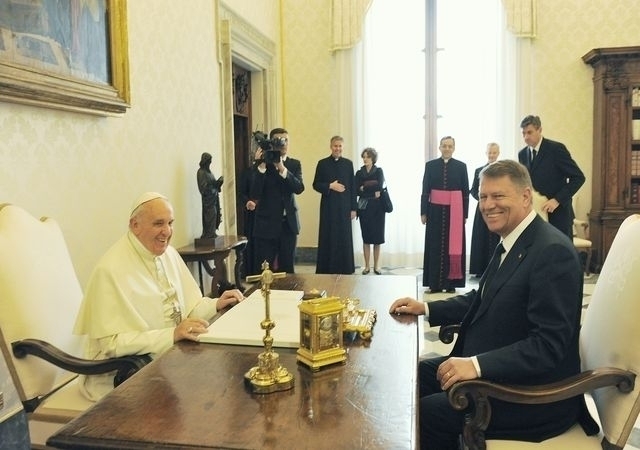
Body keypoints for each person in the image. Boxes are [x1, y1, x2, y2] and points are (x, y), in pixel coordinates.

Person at [390, 160, 591, 449]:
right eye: (483, 197)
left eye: (498, 196)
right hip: (496, 373)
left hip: (531, 396)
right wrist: (427, 308)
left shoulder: (552, 252)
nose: (487, 205)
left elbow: (547, 346)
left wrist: (476, 364)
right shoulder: (512, 240)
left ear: (525, 197)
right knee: (415, 375)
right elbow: (483, 297)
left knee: (428, 413)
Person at [74, 192, 244, 401]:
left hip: (169, 362)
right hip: (122, 377)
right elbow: (112, 344)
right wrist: (171, 335)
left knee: (225, 383)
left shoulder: (169, 254)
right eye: (158, 224)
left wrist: (216, 305)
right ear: (134, 225)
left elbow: (187, 310)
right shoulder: (109, 269)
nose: (167, 231)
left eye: (170, 223)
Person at [518, 115, 585, 238]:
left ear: (540, 130)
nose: (526, 137)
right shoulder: (522, 154)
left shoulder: (556, 149)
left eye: (529, 132)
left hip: (558, 214)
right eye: (523, 133)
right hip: (535, 214)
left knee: (560, 253)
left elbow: (578, 177)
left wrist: (557, 200)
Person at [249, 128, 304, 274]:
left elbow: (299, 188)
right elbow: (254, 193)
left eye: (286, 140)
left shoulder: (294, 164)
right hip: (266, 225)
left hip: (288, 224)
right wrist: (260, 167)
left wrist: (282, 168)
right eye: (279, 140)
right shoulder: (262, 164)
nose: (283, 143)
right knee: (263, 269)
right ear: (272, 143)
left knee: (288, 268)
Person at [420, 136, 469, 293]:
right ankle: (434, 283)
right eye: (444, 146)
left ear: (454, 148)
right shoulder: (430, 165)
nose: (447, 148)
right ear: (439, 147)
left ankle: (451, 284)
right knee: (434, 246)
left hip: (455, 212)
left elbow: (465, 193)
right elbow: (425, 190)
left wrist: (465, 214)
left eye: (450, 146)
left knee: (452, 247)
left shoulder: (461, 166)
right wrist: (423, 212)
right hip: (434, 211)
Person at [312, 135, 357, 274]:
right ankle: (327, 269)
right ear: (330, 147)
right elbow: (316, 185)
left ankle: (346, 269)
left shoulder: (348, 164)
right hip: (328, 208)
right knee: (328, 236)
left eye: (340, 146)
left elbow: (353, 187)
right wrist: (330, 186)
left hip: (344, 207)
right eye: (335, 146)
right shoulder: (322, 163)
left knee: (344, 237)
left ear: (343, 147)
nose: (337, 148)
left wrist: (354, 209)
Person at [469, 142, 501, 277]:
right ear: (486, 153)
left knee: (496, 237)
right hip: (482, 209)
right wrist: (483, 199)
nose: (492, 155)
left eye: (494, 152)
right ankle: (480, 269)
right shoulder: (478, 170)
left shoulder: (503, 171)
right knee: (480, 238)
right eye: (489, 153)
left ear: (498, 153)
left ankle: (494, 268)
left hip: (498, 208)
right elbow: (473, 190)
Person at [355, 147, 386, 275]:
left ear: (373, 158)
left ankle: (376, 266)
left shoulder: (379, 171)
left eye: (368, 156)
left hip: (378, 208)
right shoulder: (358, 173)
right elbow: (357, 190)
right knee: (366, 238)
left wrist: (364, 186)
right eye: (364, 156)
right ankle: (367, 266)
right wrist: (370, 187)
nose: (365, 159)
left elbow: (380, 185)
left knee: (377, 238)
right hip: (364, 207)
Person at [197, 152, 224, 239]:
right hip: (208, 201)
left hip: (214, 199)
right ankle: (208, 234)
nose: (210, 163)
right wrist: (215, 187)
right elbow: (203, 189)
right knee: (210, 215)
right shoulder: (201, 172)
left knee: (215, 215)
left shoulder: (210, 173)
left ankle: (212, 233)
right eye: (209, 161)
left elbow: (214, 185)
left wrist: (218, 183)